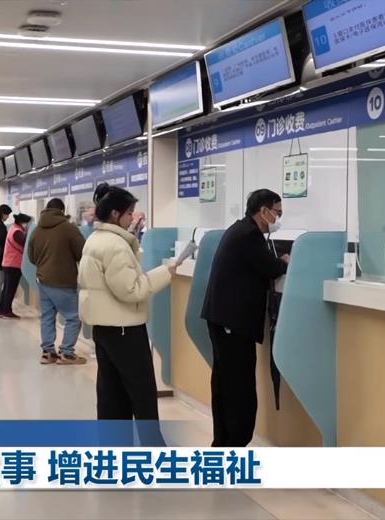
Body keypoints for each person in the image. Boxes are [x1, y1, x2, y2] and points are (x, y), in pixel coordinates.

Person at [78, 183, 180, 436]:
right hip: (125, 329)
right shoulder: (115, 245)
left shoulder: (95, 239)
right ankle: (153, 448)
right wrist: (165, 273)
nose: (132, 217)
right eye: (129, 213)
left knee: (111, 395)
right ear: (115, 214)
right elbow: (131, 290)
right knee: (142, 393)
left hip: (104, 328)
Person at [201, 189, 290, 447]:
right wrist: (284, 261)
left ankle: (224, 443)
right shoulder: (249, 235)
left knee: (225, 383)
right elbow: (271, 268)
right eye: (277, 213)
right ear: (263, 211)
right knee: (239, 387)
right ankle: (235, 444)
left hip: (223, 319)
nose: (278, 218)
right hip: (233, 323)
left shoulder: (239, 230)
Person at [28, 198, 87, 365]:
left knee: (47, 316)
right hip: (63, 280)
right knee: (74, 317)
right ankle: (67, 353)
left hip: (43, 280)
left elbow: (31, 257)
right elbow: (82, 252)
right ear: (62, 210)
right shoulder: (69, 228)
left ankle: (48, 352)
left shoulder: (37, 230)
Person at [0, 212, 32, 319]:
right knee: (10, 289)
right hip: (13, 264)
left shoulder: (13, 229)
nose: (28, 225)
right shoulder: (17, 232)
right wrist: (29, 233)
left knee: (6, 288)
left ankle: (2, 309)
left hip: (8, 263)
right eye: (27, 223)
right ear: (22, 223)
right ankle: (7, 311)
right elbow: (25, 242)